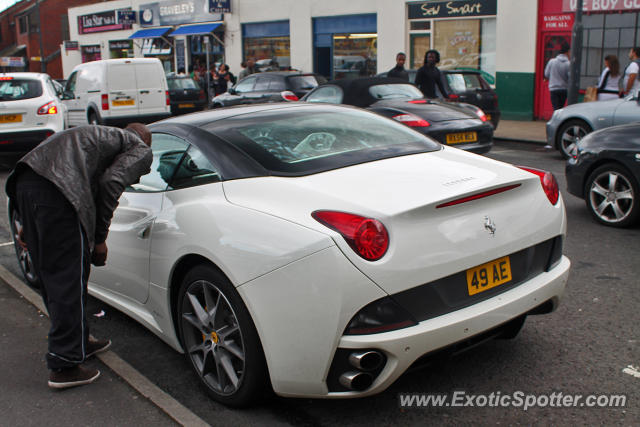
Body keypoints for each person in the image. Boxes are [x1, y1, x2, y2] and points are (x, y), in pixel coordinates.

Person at [5, 123, 153, 390]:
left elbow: (43, 167)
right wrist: (100, 240)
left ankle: (79, 342)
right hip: (60, 194)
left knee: (55, 275)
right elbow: (112, 182)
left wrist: (28, 222)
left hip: (26, 185)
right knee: (67, 279)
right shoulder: (139, 147)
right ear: (145, 140)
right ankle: (64, 365)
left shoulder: (97, 135)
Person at [544, 44, 570, 110]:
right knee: (561, 108)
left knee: (556, 108)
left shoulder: (551, 61)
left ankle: (556, 119)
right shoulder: (568, 64)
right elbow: (570, 78)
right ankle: (559, 120)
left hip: (553, 89)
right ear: (567, 52)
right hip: (564, 89)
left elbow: (546, 74)